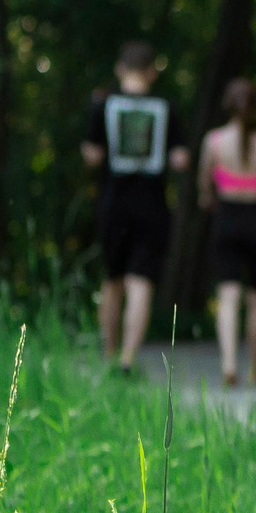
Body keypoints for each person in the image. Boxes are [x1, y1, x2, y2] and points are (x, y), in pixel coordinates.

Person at [80, 42, 190, 375]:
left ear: (120, 68)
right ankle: (128, 359)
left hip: (114, 201)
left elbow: (91, 155)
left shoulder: (103, 104)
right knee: (141, 281)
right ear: (152, 71)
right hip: (152, 203)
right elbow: (180, 159)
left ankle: (108, 354)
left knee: (112, 280)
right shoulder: (166, 106)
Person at [196, 78, 256, 388]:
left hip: (226, 218)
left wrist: (210, 198)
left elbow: (204, 188)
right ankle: (254, 367)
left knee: (228, 295)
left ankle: (229, 364)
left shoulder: (213, 142)